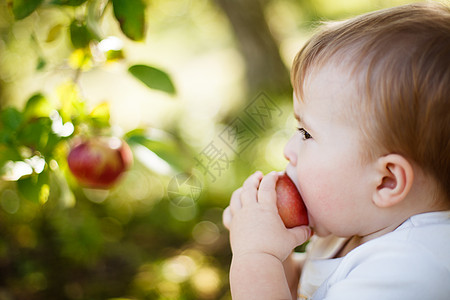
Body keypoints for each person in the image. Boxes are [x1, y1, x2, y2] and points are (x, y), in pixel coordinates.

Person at [222, 2, 450, 299]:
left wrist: (254, 256)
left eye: (306, 133)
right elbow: (294, 291)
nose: (288, 150)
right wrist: (274, 254)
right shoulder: (357, 229)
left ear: (386, 181)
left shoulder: (406, 272)